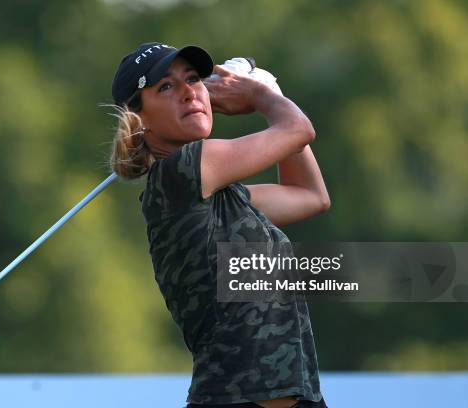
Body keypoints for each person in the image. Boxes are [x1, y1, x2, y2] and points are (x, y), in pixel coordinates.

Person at [109, 42, 330, 408]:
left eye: (193, 79)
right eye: (166, 86)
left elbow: (310, 195)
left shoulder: (219, 198)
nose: (188, 92)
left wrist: (271, 95)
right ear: (139, 117)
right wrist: (260, 94)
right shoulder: (182, 170)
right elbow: (298, 129)